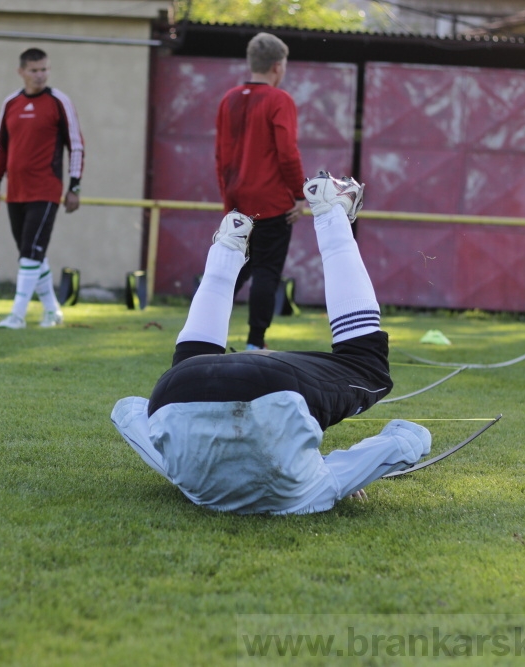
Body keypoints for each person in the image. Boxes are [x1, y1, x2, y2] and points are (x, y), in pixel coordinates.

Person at [111, 172, 431, 515]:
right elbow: (126, 409)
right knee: (192, 370)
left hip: (273, 387)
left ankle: (331, 210)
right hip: (178, 394)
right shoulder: (187, 479)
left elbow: (407, 438)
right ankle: (226, 246)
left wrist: (343, 470)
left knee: (367, 367)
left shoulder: (312, 491)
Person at [215, 32, 305, 351]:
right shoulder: (280, 100)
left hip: (239, 200)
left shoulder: (229, 98)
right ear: (278, 67)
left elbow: (221, 154)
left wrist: (228, 200)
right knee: (266, 270)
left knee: (232, 272)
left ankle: (205, 332)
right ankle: (255, 344)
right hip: (271, 203)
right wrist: (299, 194)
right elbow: (288, 152)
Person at [0, 47, 85, 329]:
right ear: (21, 72)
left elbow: (76, 145)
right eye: (34, 70)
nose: (40, 75)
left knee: (31, 251)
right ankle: (52, 311)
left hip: (46, 189)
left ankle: (17, 315)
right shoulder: (11, 103)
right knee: (30, 253)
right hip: (15, 190)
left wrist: (74, 187)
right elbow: (1, 147)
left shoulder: (59, 101)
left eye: (44, 69)